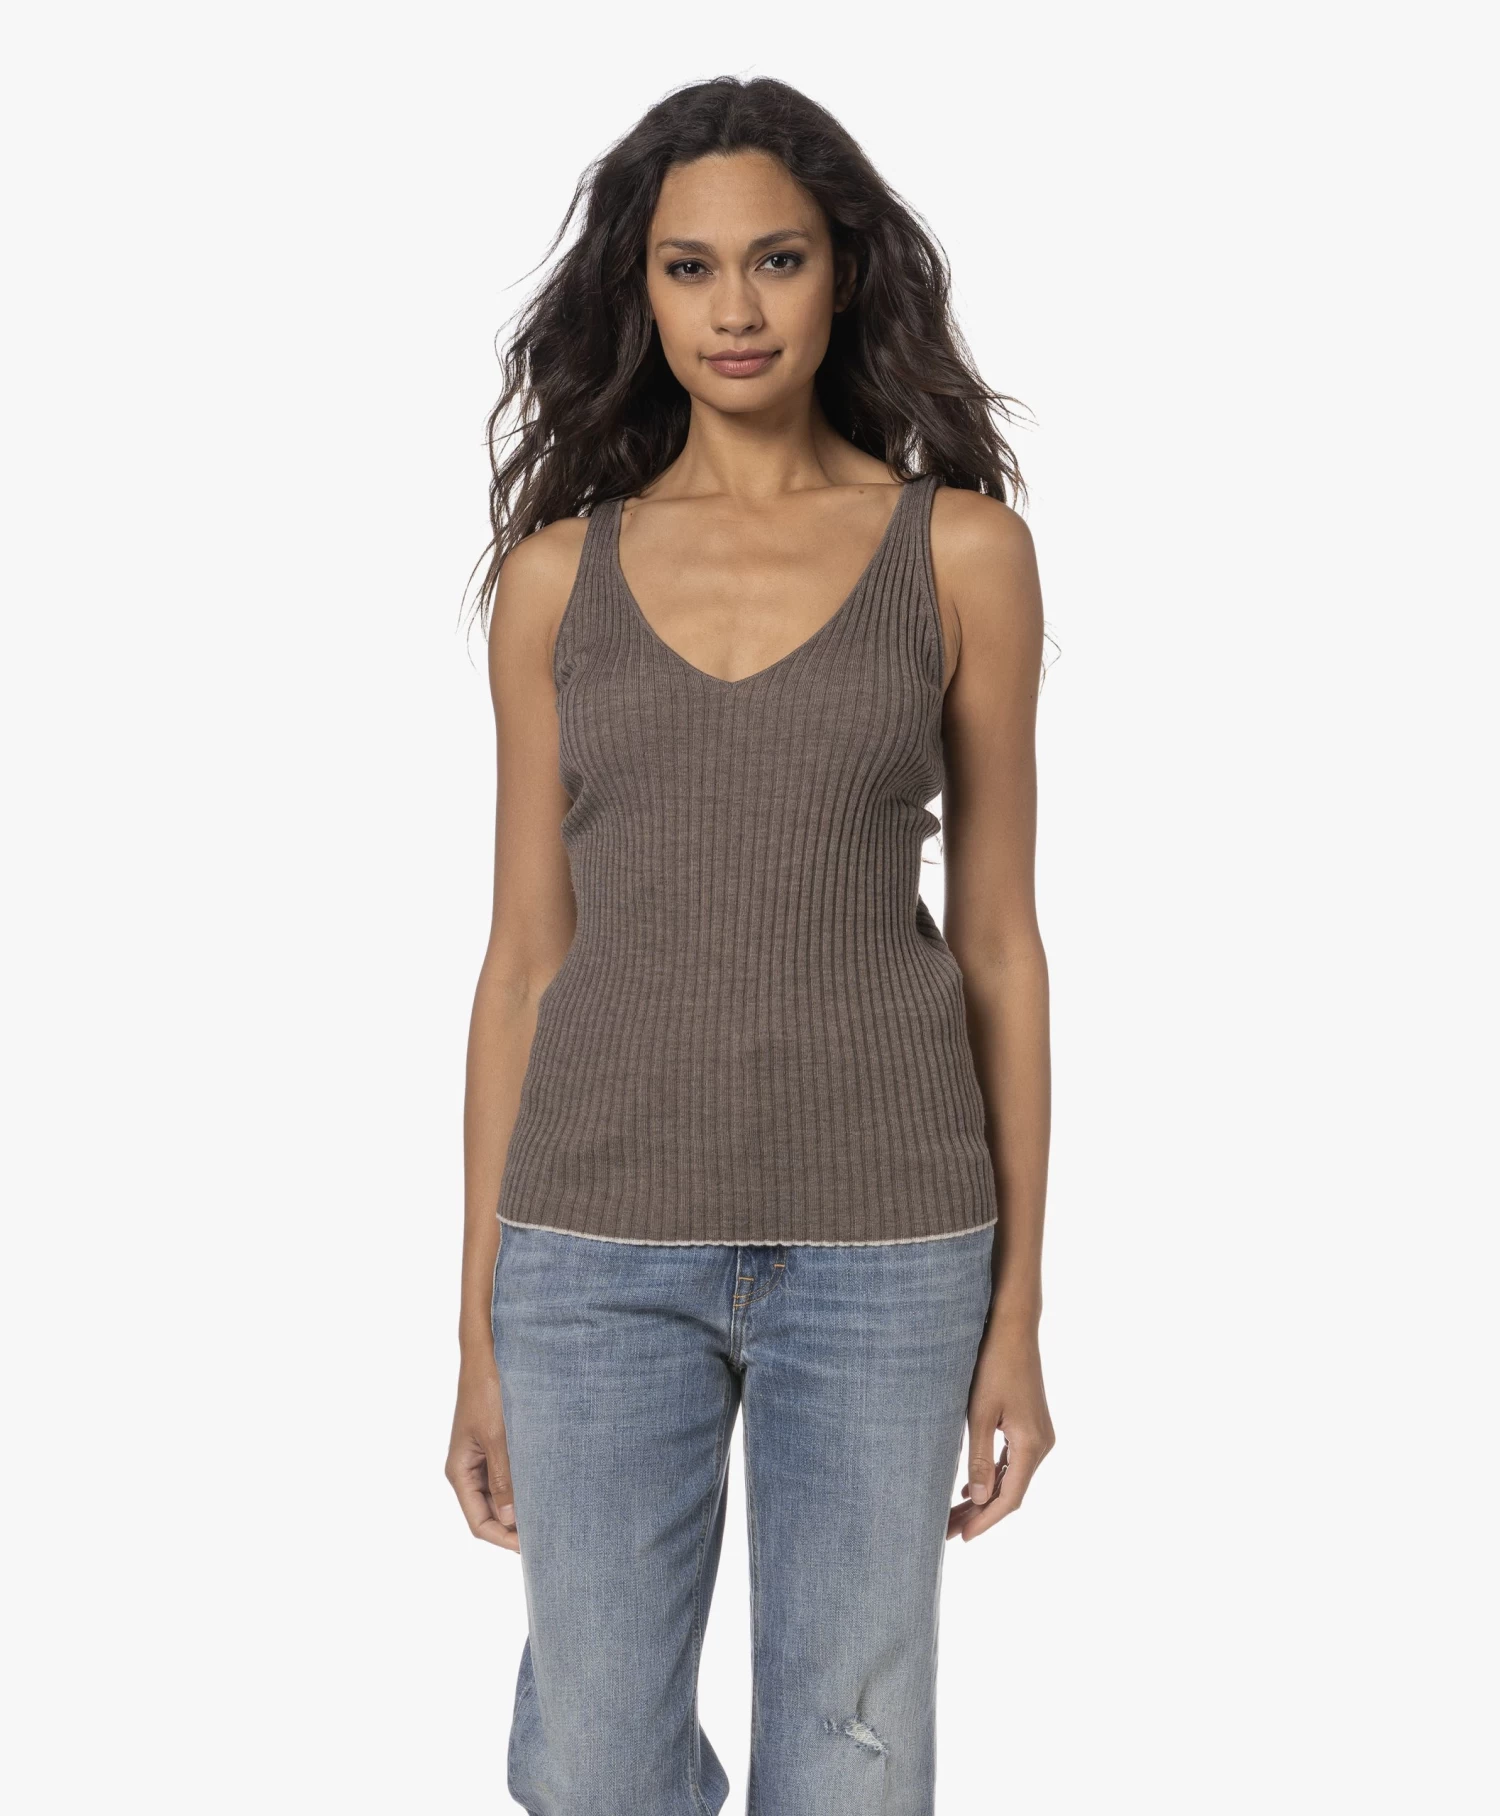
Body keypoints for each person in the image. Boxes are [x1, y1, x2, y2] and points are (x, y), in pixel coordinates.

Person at [445, 74, 1055, 1816]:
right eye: (691, 267)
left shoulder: (962, 554)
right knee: (594, 1766)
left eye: (777, 261)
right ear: (639, 291)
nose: (736, 308)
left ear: (840, 274)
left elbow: (1001, 945)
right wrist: (477, 1328)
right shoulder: (557, 578)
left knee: (852, 1770)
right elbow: (522, 959)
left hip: (888, 1247)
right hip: (590, 1249)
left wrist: (1019, 1313)